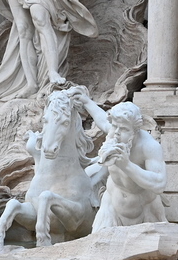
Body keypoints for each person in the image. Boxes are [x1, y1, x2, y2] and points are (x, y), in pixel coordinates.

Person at [70, 88, 167, 229]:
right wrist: (86, 101)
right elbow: (103, 120)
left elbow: (159, 183)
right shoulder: (115, 132)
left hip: (145, 211)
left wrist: (126, 165)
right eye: (114, 126)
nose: (115, 133)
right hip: (111, 206)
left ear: (135, 130)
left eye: (123, 129)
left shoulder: (149, 146)